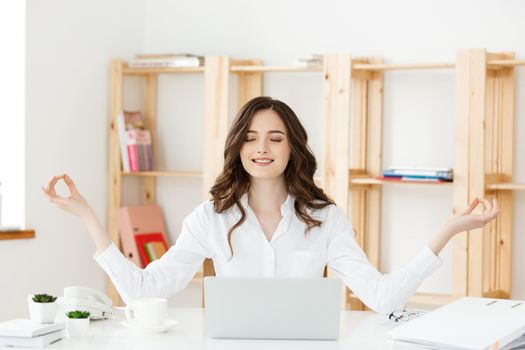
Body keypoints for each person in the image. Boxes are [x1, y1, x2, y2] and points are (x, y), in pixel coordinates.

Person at [42, 96, 500, 314]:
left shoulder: (324, 220)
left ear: (292, 149)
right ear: (238, 147)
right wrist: (88, 217)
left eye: (275, 138)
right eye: (251, 138)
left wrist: (450, 229)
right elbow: (143, 290)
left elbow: (383, 298)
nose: (262, 148)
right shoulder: (210, 219)